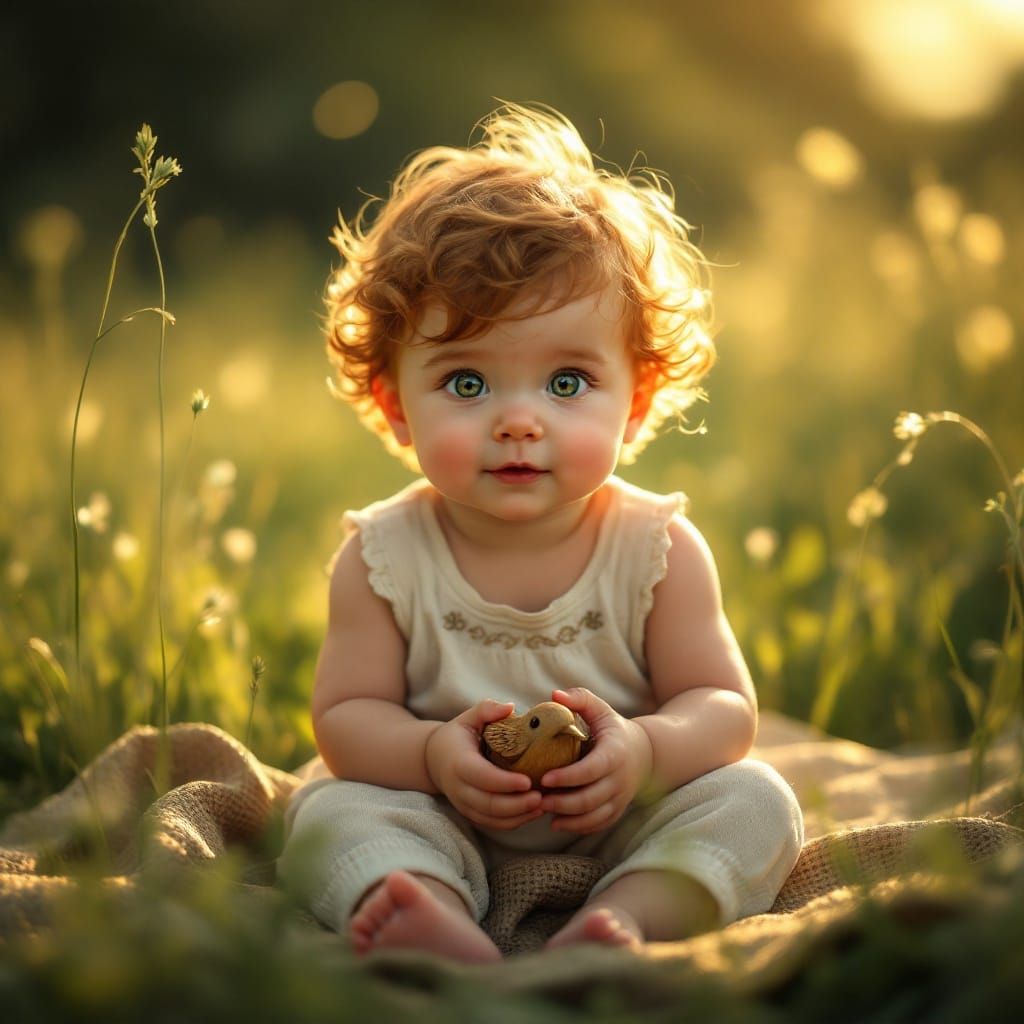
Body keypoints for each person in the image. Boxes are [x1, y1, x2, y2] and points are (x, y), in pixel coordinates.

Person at [278, 104, 803, 962]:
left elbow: (722, 708)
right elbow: (345, 718)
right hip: (440, 812)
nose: (519, 421)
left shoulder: (657, 550)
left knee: (756, 798)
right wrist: (433, 756)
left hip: (621, 814)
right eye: (467, 382)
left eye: (565, 383)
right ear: (395, 405)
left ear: (635, 403)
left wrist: (643, 752)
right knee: (329, 809)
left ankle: (629, 917)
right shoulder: (382, 558)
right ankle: (427, 910)